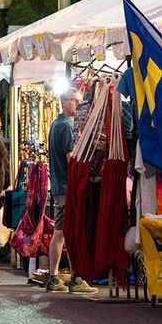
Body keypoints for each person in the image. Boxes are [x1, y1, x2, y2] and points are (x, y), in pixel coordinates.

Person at [45, 89, 97, 295]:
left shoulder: (57, 125)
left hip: (60, 186)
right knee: (71, 232)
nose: (79, 105)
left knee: (60, 232)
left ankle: (54, 276)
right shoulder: (66, 127)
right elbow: (71, 160)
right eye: (76, 101)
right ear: (65, 102)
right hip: (67, 187)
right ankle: (75, 278)